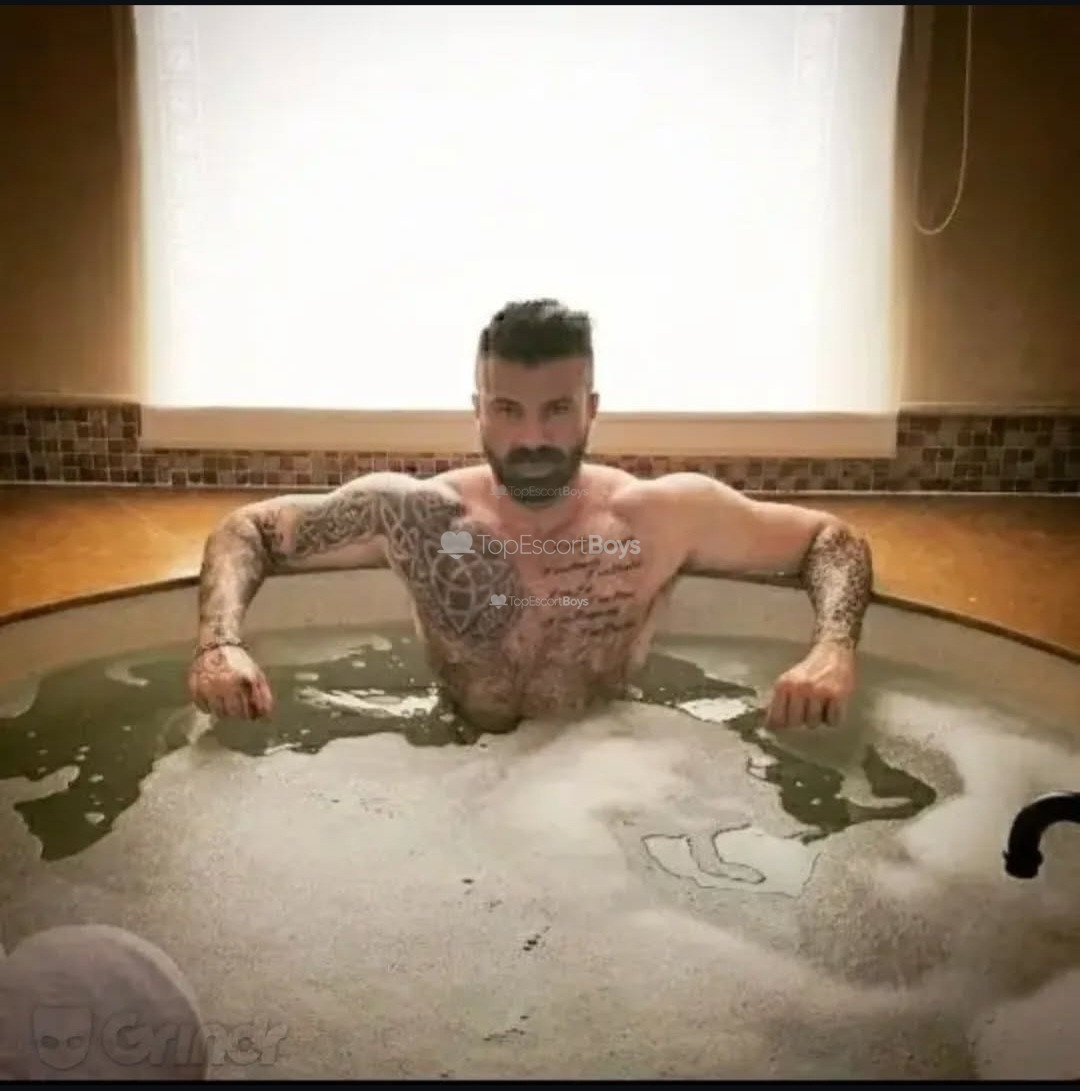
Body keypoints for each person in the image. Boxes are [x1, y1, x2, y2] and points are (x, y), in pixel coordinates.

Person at [187, 299, 873, 736]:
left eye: (557, 410)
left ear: (591, 409)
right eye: (509, 410)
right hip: (450, 771)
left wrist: (832, 650)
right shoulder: (417, 517)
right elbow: (248, 530)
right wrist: (218, 645)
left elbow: (830, 539)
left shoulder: (659, 518)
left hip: (608, 786)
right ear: (478, 411)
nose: (533, 438)